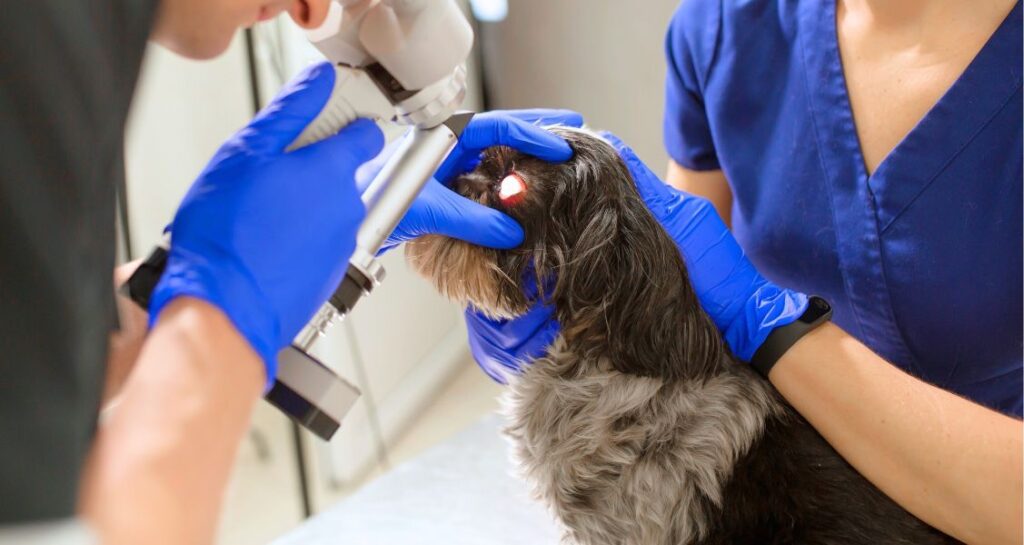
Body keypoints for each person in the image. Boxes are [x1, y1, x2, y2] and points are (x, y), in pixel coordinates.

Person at [0, 1, 577, 543]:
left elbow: (20, 354)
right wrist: (221, 318)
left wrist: (183, 277)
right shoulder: (40, 39)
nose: (311, 10)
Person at [464, 1, 1022, 544]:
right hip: (783, 503)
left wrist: (774, 329)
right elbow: (678, 325)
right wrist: (565, 324)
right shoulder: (726, 27)